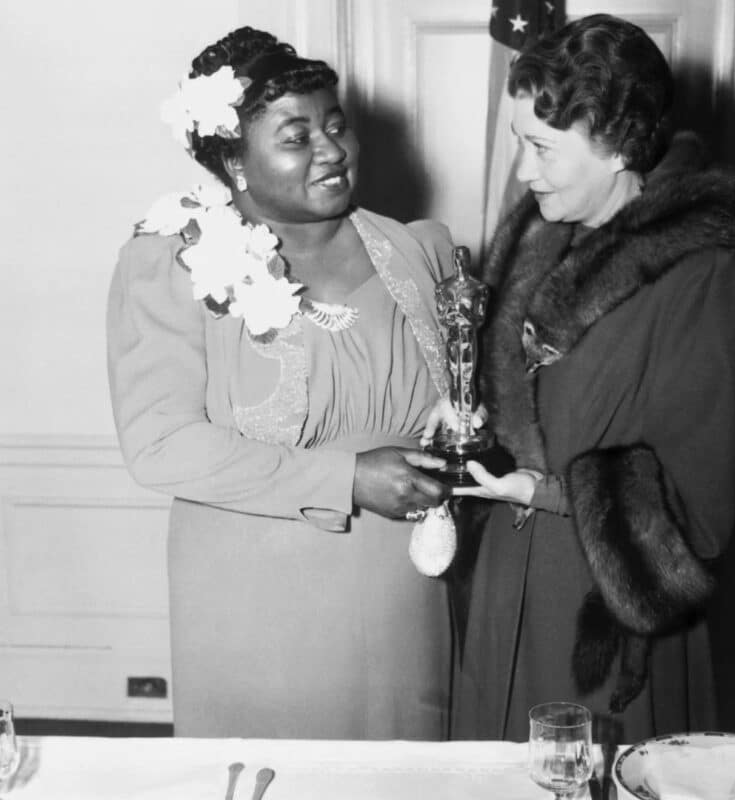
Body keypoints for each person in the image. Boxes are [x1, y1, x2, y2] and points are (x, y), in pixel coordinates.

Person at [429, 13, 735, 743]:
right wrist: (467, 408)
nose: (522, 172)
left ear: (617, 145)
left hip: (602, 615)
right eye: (519, 142)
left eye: (543, 148)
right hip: (501, 590)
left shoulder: (709, 275)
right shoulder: (537, 236)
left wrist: (545, 493)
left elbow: (698, 514)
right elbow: (527, 400)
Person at [107, 26, 456, 739]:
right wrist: (346, 479)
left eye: (336, 125)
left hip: (402, 588)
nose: (332, 149)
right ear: (234, 159)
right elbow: (160, 446)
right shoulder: (170, 265)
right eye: (296, 136)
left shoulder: (421, 250)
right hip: (254, 601)